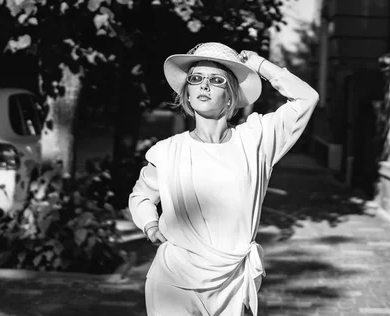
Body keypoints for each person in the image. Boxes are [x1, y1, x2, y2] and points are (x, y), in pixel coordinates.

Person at [128, 42, 319, 316]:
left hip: (232, 283)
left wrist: (260, 65)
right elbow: (141, 196)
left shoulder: (255, 140)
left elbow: (306, 98)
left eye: (216, 80)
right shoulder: (167, 151)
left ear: (230, 97)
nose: (204, 86)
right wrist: (149, 224)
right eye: (196, 79)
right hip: (174, 282)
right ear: (188, 94)